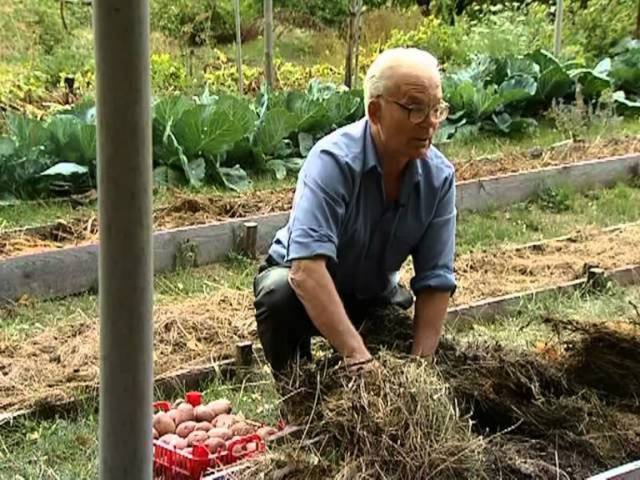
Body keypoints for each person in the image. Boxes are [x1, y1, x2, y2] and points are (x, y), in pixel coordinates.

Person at [253, 47, 456, 375]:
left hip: (374, 294)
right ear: (375, 111)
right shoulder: (333, 162)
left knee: (404, 349)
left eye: (437, 109)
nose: (430, 123)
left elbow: (436, 279)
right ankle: (299, 398)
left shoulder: (439, 177)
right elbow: (306, 269)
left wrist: (421, 369)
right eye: (415, 109)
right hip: (305, 288)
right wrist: (356, 355)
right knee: (279, 294)